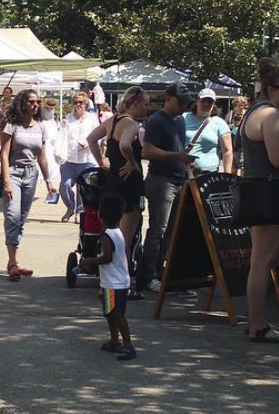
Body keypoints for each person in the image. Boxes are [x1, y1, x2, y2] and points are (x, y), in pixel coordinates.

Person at [236, 58, 279, 343]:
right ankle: (258, 325)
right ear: (270, 90)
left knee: (259, 260)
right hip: (270, 190)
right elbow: (278, 160)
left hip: (257, 189)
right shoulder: (272, 114)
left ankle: (255, 321)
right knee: (263, 261)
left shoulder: (253, 112)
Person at [87, 85, 150, 298]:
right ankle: (122, 285)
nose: (147, 109)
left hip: (113, 182)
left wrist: (100, 161)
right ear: (135, 104)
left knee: (111, 236)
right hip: (130, 184)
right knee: (125, 239)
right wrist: (132, 161)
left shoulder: (112, 121)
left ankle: (105, 284)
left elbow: (91, 139)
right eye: (145, 104)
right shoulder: (131, 124)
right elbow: (124, 145)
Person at [142, 82, 196, 293]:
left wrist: (186, 165)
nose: (183, 106)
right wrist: (178, 156)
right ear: (168, 98)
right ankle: (148, 276)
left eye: (185, 102)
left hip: (177, 179)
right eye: (180, 102)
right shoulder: (157, 120)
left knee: (171, 230)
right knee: (159, 229)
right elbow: (148, 151)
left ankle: (160, 271)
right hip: (161, 180)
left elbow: (177, 149)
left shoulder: (179, 120)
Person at [0, 89, 58, 279]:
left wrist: (48, 180)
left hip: (31, 174)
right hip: (13, 173)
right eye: (31, 102)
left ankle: (13, 260)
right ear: (22, 103)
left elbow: (42, 157)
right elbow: (4, 154)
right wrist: (6, 180)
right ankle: (12, 262)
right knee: (13, 215)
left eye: (37, 102)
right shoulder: (12, 125)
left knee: (21, 218)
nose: (35, 105)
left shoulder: (40, 127)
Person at [80, 192, 136, 361]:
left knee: (117, 314)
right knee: (110, 313)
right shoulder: (118, 232)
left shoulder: (106, 235)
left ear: (100, 215)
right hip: (115, 282)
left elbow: (107, 258)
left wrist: (88, 261)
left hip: (114, 284)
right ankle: (115, 340)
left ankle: (128, 345)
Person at [57, 91, 99, 222]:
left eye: (81, 102)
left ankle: (80, 212)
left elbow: (98, 135)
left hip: (86, 159)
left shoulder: (92, 118)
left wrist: (88, 143)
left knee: (83, 188)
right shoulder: (68, 118)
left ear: (86, 103)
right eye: (76, 102)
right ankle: (70, 207)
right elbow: (61, 136)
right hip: (69, 158)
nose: (78, 105)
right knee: (65, 185)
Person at [184, 89, 234, 174]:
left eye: (210, 101)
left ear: (213, 104)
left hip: (209, 173)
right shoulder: (184, 118)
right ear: (197, 101)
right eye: (203, 100)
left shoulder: (220, 123)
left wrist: (227, 175)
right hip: (185, 172)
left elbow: (227, 151)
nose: (206, 104)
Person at [39, 98, 62, 206]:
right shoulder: (43, 112)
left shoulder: (52, 116)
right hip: (46, 128)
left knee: (51, 154)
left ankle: (51, 175)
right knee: (46, 153)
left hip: (51, 128)